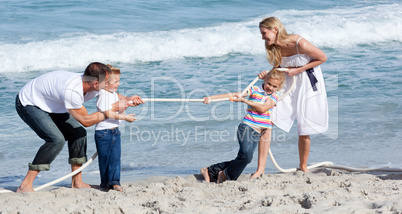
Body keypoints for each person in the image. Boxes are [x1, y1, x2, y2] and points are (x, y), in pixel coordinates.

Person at [15, 62, 143, 193]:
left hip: (54, 104)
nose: (108, 85)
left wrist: (128, 99)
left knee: (79, 134)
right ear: (95, 84)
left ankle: (77, 182)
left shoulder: (93, 81)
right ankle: (25, 185)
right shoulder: (73, 92)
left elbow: (111, 93)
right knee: (56, 140)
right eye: (106, 82)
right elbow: (86, 121)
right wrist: (114, 108)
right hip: (30, 103)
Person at [258, 17, 328, 172]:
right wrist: (267, 74)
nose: (262, 37)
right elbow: (278, 70)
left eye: (264, 33)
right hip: (288, 83)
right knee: (267, 119)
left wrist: (298, 70)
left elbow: (322, 57)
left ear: (274, 30)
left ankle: (303, 167)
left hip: (307, 82)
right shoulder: (274, 47)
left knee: (304, 128)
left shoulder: (298, 42)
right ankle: (260, 168)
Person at [200, 69, 285, 183]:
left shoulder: (275, 95)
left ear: (278, 87)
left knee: (245, 158)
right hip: (247, 128)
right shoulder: (254, 90)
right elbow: (234, 95)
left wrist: (244, 101)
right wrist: (211, 98)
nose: (270, 87)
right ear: (264, 79)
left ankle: (211, 171)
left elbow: (263, 108)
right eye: (269, 83)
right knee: (246, 156)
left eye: (274, 86)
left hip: (261, 131)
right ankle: (223, 175)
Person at [94, 65, 136, 192]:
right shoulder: (103, 95)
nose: (118, 83)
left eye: (118, 81)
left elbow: (122, 101)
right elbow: (109, 114)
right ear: (106, 83)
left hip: (115, 131)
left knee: (116, 159)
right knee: (105, 159)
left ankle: (115, 182)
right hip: (103, 133)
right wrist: (125, 118)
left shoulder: (113, 94)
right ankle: (105, 183)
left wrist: (131, 100)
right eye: (116, 82)